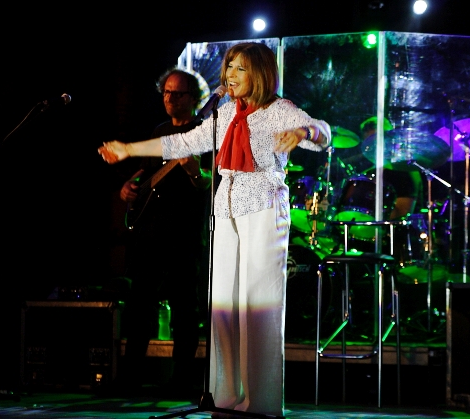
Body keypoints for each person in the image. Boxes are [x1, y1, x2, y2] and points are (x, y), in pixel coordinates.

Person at [99, 42, 331, 417]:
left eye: (240, 69)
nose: (230, 75)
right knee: (224, 306)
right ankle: (226, 397)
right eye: (229, 68)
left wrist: (305, 131)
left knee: (258, 304)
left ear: (259, 73)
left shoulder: (277, 109)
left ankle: (261, 402)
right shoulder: (225, 113)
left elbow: (324, 132)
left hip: (263, 204)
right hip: (225, 207)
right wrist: (129, 149)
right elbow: (183, 141)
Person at [113, 68, 212, 397]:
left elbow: (209, 183)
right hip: (150, 232)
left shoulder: (203, 133)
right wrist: (129, 186)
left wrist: (195, 173)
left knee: (184, 309)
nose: (169, 99)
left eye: (177, 93)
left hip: (184, 233)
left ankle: (181, 381)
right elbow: (145, 173)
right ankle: (130, 378)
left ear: (194, 98)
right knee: (140, 306)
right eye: (166, 92)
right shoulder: (160, 131)